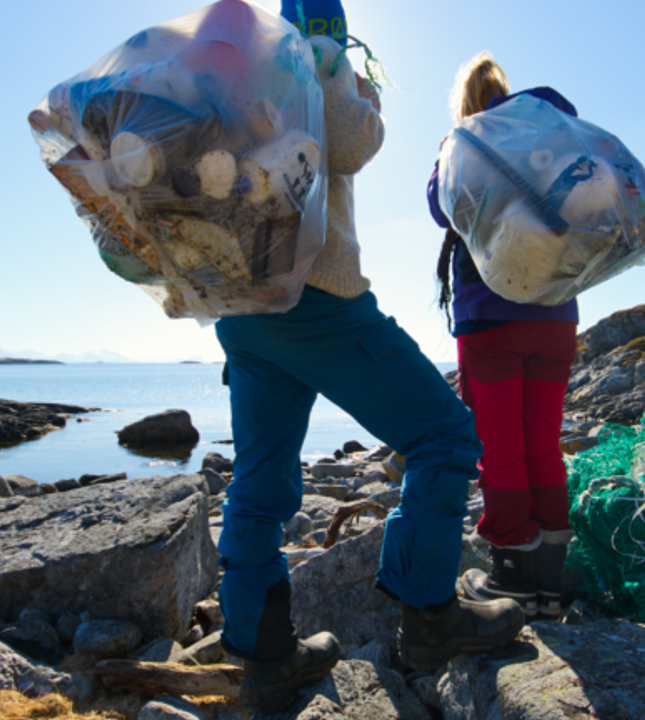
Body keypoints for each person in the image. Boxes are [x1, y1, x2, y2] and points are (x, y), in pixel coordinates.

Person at [214, 4, 524, 712]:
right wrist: (363, 95)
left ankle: (265, 659)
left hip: (243, 307)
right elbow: (350, 144)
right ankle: (430, 618)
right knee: (445, 434)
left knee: (259, 481)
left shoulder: (235, 72)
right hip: (317, 294)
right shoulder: (314, 55)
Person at [426, 52, 578, 620]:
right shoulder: (547, 135)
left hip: (492, 319)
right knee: (543, 445)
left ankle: (514, 574)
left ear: (465, 102)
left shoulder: (462, 144)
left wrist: (455, 139)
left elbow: (440, 210)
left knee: (501, 452)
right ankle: (551, 579)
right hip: (557, 315)